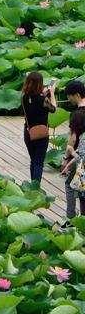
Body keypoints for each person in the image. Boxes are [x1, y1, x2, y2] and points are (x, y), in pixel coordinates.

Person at [21, 71, 56, 182]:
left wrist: (43, 93)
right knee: (39, 162)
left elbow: (35, 101)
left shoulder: (24, 97)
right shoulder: (43, 100)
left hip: (28, 132)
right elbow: (53, 109)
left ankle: (32, 184)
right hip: (41, 134)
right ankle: (36, 188)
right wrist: (52, 93)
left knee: (33, 160)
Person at [60, 81, 85, 220]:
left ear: (77, 95)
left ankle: (70, 219)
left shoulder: (77, 114)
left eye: (70, 96)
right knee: (83, 188)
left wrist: (66, 158)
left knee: (70, 185)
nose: (68, 99)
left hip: (78, 156)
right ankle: (83, 220)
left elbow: (73, 138)